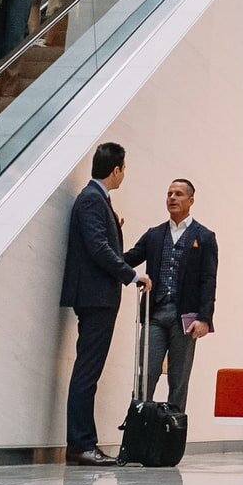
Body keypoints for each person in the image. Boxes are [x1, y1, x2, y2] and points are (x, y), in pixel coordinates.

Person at [62, 142, 149, 466]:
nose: (124, 174)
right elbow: (97, 248)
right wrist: (132, 275)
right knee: (87, 372)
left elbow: (99, 241)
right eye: (124, 169)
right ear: (116, 170)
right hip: (96, 297)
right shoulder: (92, 199)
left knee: (89, 371)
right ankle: (81, 444)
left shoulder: (97, 200)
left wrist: (115, 229)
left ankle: (83, 442)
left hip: (97, 296)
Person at [125, 178, 218, 415]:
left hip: (186, 319)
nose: (172, 198)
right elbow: (127, 259)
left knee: (179, 380)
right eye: (169, 193)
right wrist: (113, 233)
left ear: (191, 200)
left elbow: (209, 280)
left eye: (178, 194)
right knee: (145, 376)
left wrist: (205, 318)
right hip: (154, 314)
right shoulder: (154, 235)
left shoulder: (205, 236)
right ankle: (137, 437)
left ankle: (171, 442)